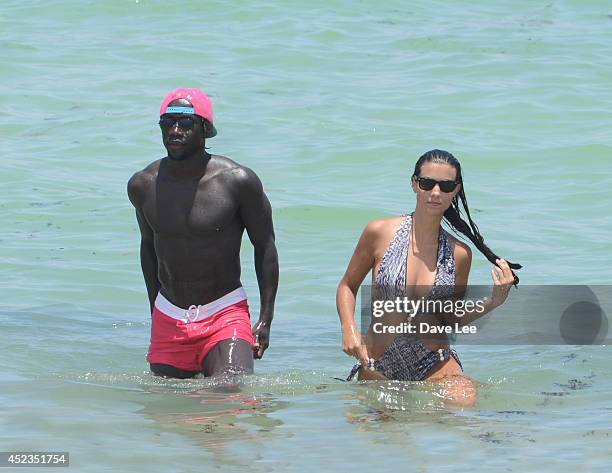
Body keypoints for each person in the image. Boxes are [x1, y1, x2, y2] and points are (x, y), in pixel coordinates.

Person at [336, 149, 520, 406]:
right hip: (377, 366)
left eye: (445, 186)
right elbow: (347, 286)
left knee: (464, 410)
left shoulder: (460, 254)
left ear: (455, 190)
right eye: (427, 183)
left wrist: (493, 302)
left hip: (434, 365)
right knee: (377, 440)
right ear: (414, 184)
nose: (435, 193)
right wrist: (349, 328)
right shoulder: (379, 232)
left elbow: (450, 319)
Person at [127, 88, 278, 379]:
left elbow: (265, 247)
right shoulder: (143, 185)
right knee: (169, 411)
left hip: (225, 312)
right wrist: (155, 310)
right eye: (167, 123)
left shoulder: (237, 182)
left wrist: (265, 319)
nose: (174, 130)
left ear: (205, 129)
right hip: (169, 314)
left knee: (229, 397)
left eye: (185, 123)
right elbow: (149, 248)